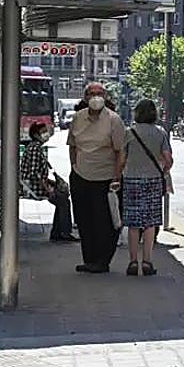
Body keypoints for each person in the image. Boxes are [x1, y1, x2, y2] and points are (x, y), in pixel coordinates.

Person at [67, 82, 125, 273]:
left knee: (105, 222)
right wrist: (74, 167)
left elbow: (120, 152)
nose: (95, 97)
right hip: (81, 176)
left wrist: (116, 177)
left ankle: (102, 260)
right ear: (85, 97)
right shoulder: (77, 118)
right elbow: (73, 146)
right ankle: (89, 259)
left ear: (106, 96)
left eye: (99, 93)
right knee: (84, 220)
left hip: (106, 178)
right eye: (91, 93)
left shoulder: (114, 120)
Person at [122, 99, 173, 276]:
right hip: (153, 181)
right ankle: (147, 262)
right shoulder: (160, 133)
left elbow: (121, 159)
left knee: (133, 224)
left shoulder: (129, 133)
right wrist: (163, 172)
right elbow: (168, 159)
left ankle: (133, 262)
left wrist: (117, 176)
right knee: (150, 223)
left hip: (131, 180)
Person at [20, 121, 75, 242]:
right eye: (42, 132)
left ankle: (58, 232)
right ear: (35, 134)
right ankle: (64, 233)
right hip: (33, 186)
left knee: (62, 199)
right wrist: (48, 189)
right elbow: (35, 173)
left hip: (36, 183)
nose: (46, 134)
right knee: (62, 201)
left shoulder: (35, 147)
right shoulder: (34, 148)